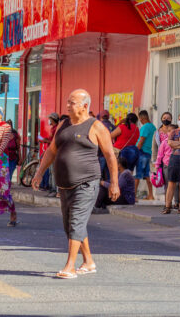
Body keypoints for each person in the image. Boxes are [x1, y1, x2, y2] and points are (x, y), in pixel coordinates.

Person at [32, 89, 120, 279]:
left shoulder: (96, 127)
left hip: (87, 183)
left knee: (76, 222)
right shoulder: (64, 124)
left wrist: (114, 183)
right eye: (68, 102)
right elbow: (51, 151)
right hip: (64, 186)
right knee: (70, 225)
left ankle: (70, 266)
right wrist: (39, 173)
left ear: (85, 106)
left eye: (72, 103)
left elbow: (110, 156)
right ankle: (88, 261)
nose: (67, 106)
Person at [135, 110, 156, 201]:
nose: (140, 121)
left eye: (140, 119)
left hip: (142, 152)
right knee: (147, 175)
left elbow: (141, 140)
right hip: (148, 152)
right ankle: (151, 195)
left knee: (137, 175)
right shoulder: (153, 127)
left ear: (142, 118)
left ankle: (133, 195)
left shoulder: (145, 127)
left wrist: (136, 151)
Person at [5, 120, 21, 187]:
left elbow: (18, 148)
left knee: (10, 172)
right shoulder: (3, 134)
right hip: (4, 157)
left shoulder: (15, 135)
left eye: (10, 124)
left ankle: (8, 185)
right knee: (5, 172)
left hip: (13, 157)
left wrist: (20, 158)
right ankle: (6, 185)